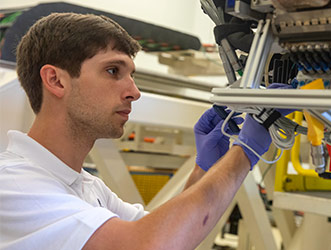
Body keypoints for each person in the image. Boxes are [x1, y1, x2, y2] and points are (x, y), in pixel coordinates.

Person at [0, 13, 277, 249]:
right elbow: (147, 244)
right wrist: (245, 152)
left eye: (131, 75)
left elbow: (167, 232)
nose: (134, 92)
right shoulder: (14, 185)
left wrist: (204, 170)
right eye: (112, 71)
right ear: (56, 81)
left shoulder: (86, 186)